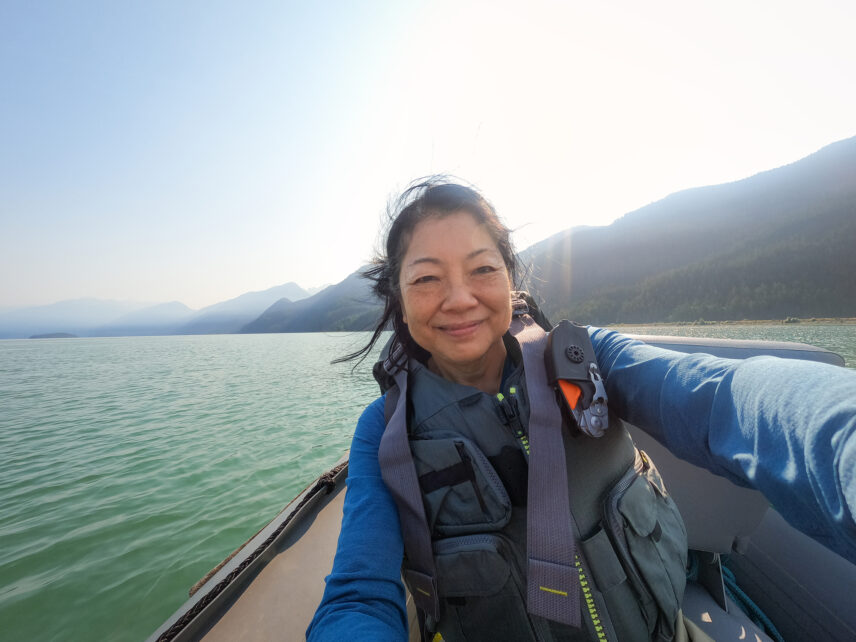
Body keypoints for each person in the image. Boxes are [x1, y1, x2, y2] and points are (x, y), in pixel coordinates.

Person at [307, 179, 856, 641]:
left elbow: (721, 397)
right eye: (426, 278)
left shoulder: (584, 359)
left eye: (482, 270)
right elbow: (359, 594)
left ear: (509, 279)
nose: (459, 298)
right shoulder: (385, 432)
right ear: (398, 299)